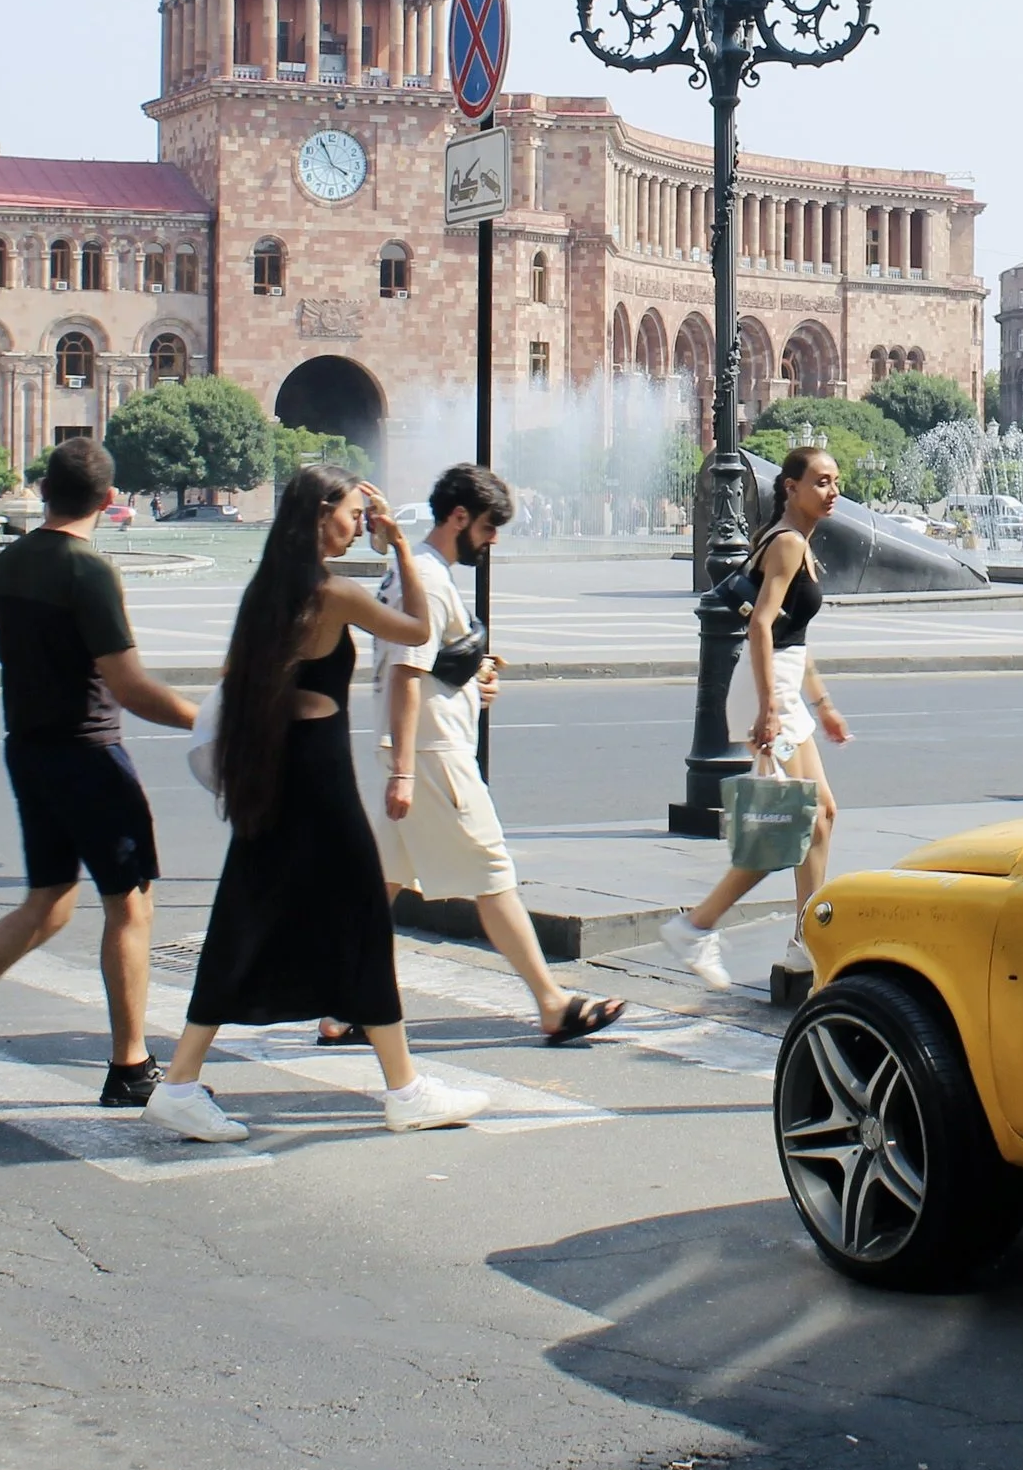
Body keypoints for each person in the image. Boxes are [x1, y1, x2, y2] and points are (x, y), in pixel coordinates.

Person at [144, 469, 490, 1143]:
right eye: (355, 513)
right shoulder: (330, 592)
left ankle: (183, 1081)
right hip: (317, 778)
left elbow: (238, 675)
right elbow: (419, 628)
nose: (360, 524)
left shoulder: (269, 587)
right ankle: (404, 1091)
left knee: (246, 916)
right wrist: (399, 545)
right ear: (320, 513)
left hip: (273, 768)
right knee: (359, 916)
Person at [0, 438, 195, 1111]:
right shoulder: (89, 571)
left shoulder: (7, 563)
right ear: (109, 499)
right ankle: (130, 1065)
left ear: (44, 491)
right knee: (130, 904)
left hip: (30, 748)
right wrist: (215, 722)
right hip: (88, 751)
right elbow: (130, 687)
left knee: (48, 902)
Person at [325, 462, 622, 1048]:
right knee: (492, 872)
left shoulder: (412, 568)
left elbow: (423, 665)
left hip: (415, 748)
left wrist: (466, 683)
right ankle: (552, 1003)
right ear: (459, 517)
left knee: (383, 883)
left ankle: (342, 1006)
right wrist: (407, 769)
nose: (492, 541)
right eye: (488, 527)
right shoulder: (428, 579)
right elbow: (408, 672)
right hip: (433, 753)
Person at [663, 445, 850, 989]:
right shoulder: (788, 543)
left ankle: (804, 941)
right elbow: (761, 625)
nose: (832, 492)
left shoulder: (796, 542)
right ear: (791, 487)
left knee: (822, 815)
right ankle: (696, 926)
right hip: (770, 693)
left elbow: (793, 636)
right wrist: (769, 707)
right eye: (820, 481)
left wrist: (823, 704)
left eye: (835, 481)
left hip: (783, 688)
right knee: (789, 822)